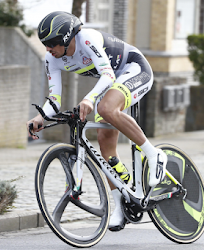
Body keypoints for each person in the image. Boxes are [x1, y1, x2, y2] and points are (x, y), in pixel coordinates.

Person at [26, 11, 167, 231]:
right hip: (110, 82)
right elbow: (54, 98)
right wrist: (41, 117)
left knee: (106, 108)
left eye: (51, 43)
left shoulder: (86, 39)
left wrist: (89, 99)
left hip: (134, 69)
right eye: (45, 43)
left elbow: (108, 75)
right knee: (106, 147)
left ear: (66, 38)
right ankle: (120, 204)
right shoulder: (51, 58)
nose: (47, 48)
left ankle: (154, 153)